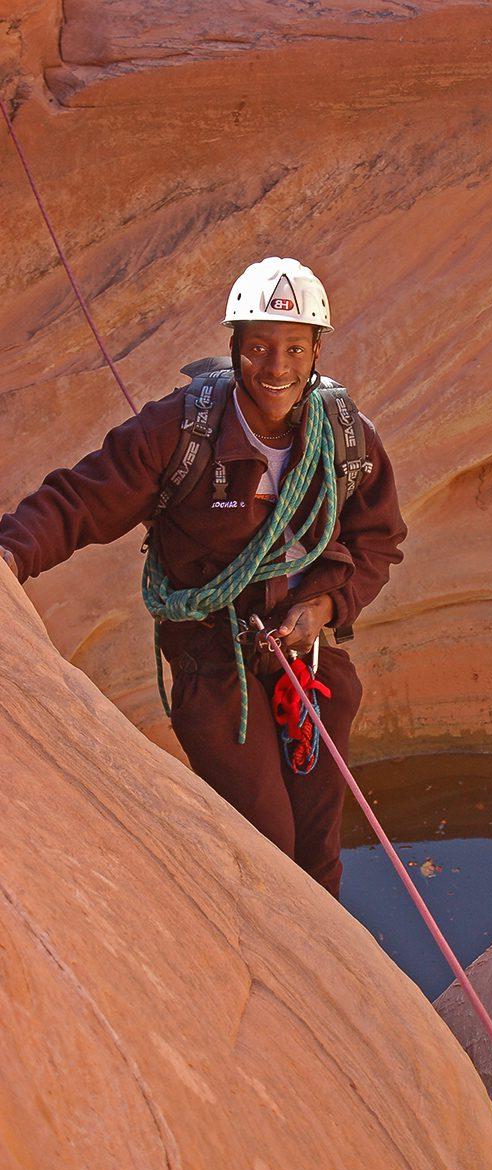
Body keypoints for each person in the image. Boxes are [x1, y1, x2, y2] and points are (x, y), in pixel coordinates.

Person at [0, 257, 406, 898]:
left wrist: (327, 607)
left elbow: (377, 538)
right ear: (235, 347)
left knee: (319, 846)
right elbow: (81, 500)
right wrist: (11, 555)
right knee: (270, 846)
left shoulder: (345, 435)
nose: (276, 368)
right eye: (260, 348)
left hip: (306, 657)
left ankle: (318, 980)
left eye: (294, 349)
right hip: (212, 658)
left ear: (316, 351)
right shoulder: (182, 430)